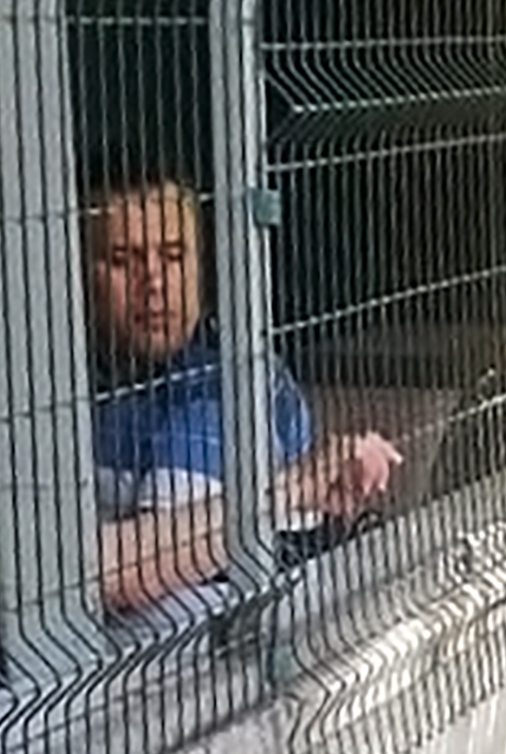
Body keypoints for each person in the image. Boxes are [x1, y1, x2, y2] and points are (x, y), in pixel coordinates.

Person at [78, 166, 396, 620]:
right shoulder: (69, 382)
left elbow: (125, 575)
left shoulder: (222, 383)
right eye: (123, 259)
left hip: (244, 656)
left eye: (171, 256)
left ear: (199, 264)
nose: (152, 282)